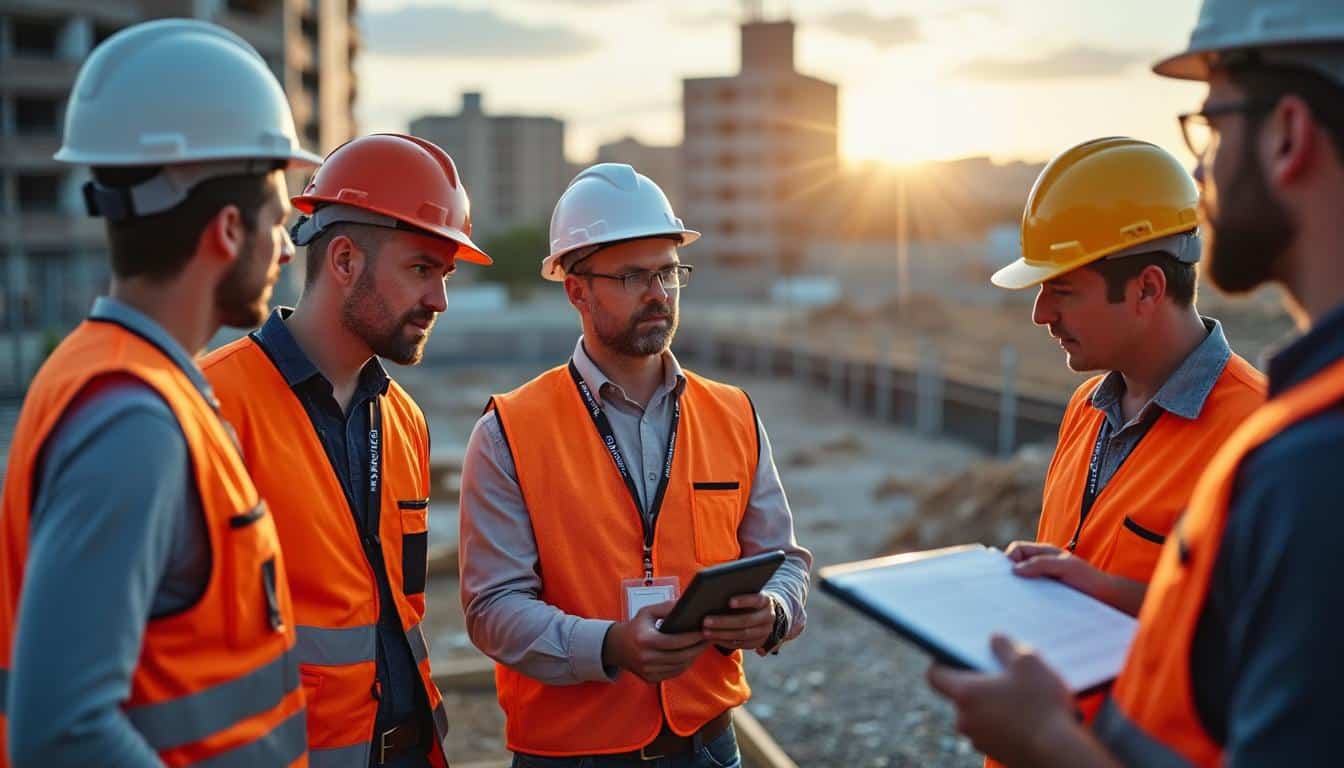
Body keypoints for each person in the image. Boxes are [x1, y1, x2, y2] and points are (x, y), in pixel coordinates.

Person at [928, 2, 1344, 765]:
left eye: (1213, 125)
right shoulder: (1091, 409)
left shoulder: (1290, 451)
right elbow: (1224, 623)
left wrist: (1050, 742)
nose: (1202, 169)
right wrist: (1086, 588)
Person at [0, 19, 319, 767]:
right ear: (228, 229)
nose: (283, 247)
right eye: (278, 222)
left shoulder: (127, 377)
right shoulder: (132, 420)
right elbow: (64, 730)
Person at [458, 163, 811, 766]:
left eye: (669, 273)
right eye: (632, 276)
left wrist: (773, 613)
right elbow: (492, 609)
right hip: (572, 753)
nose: (659, 293)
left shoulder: (733, 414)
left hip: (707, 743)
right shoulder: (509, 432)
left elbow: (786, 561)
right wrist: (609, 646)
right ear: (576, 288)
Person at [201, 133, 490, 767]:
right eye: (422, 269)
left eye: (443, 275)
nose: (440, 299)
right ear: (343, 260)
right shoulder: (212, 406)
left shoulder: (404, 420)